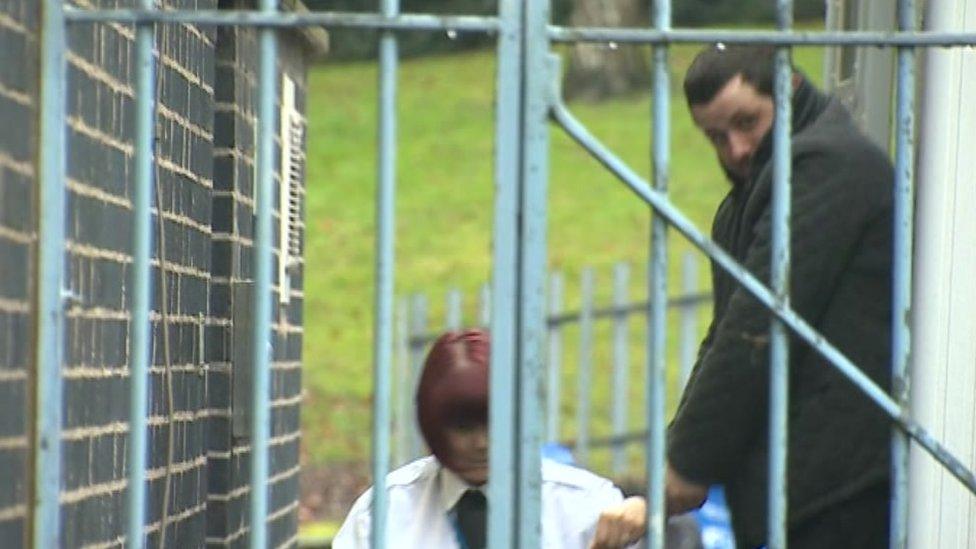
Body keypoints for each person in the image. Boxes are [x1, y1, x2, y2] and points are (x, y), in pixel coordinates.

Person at [599, 45, 895, 548]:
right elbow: (724, 338)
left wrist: (685, 466)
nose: (735, 149)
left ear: (790, 90)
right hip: (808, 487)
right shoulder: (753, 196)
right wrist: (677, 463)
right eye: (716, 136)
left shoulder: (826, 166)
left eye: (747, 122)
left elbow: (756, 327)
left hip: (844, 488)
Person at [333, 329, 645, 549]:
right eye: (464, 427)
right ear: (433, 425)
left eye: (494, 424)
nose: (482, 443)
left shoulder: (585, 505)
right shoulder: (383, 514)